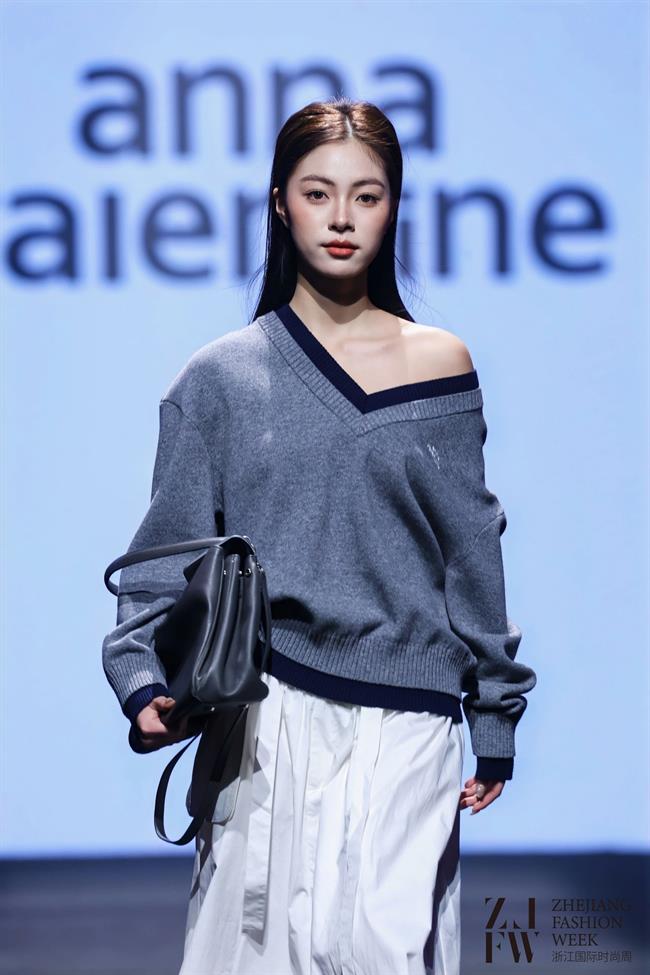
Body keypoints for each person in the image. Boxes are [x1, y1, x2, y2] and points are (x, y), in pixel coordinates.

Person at [102, 96, 537, 975]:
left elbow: (472, 548)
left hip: (411, 714)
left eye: (366, 196)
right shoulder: (220, 378)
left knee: (381, 951)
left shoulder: (441, 364)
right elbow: (166, 551)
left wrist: (494, 710)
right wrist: (140, 675)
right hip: (268, 715)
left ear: (393, 206)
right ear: (279, 203)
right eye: (317, 193)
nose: (341, 218)